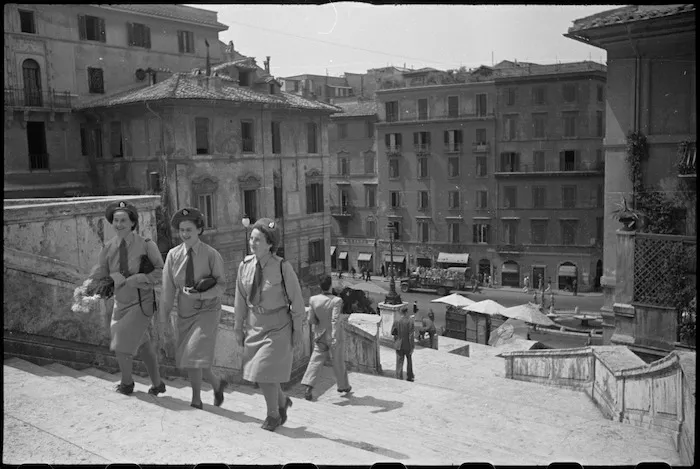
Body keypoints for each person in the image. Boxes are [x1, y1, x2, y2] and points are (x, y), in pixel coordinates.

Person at [88, 200, 166, 396]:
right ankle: (157, 384)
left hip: (141, 302)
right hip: (120, 303)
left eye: (123, 220)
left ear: (132, 223)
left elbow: (161, 271)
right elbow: (101, 273)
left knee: (120, 340)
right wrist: (90, 286)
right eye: (115, 220)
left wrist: (138, 278)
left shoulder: (147, 245)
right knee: (142, 342)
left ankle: (126, 383)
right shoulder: (108, 247)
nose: (119, 224)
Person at [234, 218, 305, 432]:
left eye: (258, 240)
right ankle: (282, 401)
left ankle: (273, 415)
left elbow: (298, 301)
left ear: (270, 244)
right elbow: (239, 299)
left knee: (264, 371)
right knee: (261, 373)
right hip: (255, 324)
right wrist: (238, 326)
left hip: (278, 326)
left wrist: (298, 330)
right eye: (251, 238)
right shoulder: (244, 266)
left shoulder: (283, 267)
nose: (252, 243)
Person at [160, 208, 228, 409]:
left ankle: (196, 399)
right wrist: (163, 321)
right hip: (185, 312)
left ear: (199, 230)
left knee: (193, 352)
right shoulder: (173, 256)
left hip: (208, 310)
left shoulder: (211, 255)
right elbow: (167, 290)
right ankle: (217, 384)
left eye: (189, 229)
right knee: (195, 358)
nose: (185, 234)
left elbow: (221, 285)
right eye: (182, 230)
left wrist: (201, 294)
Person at [301, 274, 351, 401]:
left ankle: (309, 386)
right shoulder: (336, 300)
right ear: (330, 286)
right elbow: (335, 320)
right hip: (334, 336)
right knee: (338, 362)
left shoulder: (313, 299)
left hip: (320, 334)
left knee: (315, 360)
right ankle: (343, 386)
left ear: (320, 286)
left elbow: (311, 320)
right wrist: (333, 336)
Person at [391, 306, 415, 381]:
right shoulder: (410, 321)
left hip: (399, 343)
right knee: (409, 360)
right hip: (407, 344)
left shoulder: (396, 320)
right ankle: (410, 375)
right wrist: (412, 346)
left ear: (400, 312)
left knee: (399, 361)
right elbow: (411, 336)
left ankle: (399, 376)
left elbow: (392, 332)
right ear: (406, 312)